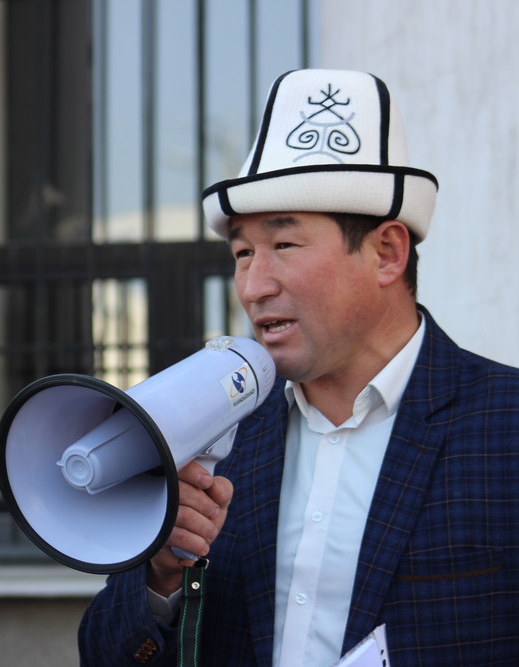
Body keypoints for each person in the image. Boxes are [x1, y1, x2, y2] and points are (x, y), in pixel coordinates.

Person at [79, 69, 519, 665]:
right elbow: (103, 653)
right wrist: (160, 577)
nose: (253, 286)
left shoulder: (503, 425)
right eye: (242, 253)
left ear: (387, 252)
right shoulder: (217, 434)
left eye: (284, 246)